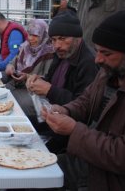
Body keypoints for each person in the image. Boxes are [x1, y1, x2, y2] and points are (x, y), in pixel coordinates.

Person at [42, 10, 125, 190]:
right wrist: (67, 110)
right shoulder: (110, 70)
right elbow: (86, 100)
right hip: (91, 159)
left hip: (120, 180)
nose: (98, 59)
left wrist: (74, 130)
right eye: (97, 51)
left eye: (106, 53)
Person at [26, 12, 98, 153]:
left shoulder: (88, 63)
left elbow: (84, 107)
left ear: (78, 38)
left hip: (68, 133)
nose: (57, 45)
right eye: (53, 40)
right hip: (50, 118)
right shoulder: (61, 54)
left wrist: (49, 90)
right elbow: (51, 80)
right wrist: (38, 81)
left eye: (62, 39)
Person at [4, 19, 54, 119]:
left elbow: (48, 79)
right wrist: (10, 67)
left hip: (33, 91)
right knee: (1, 92)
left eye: (35, 35)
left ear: (43, 35)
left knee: (14, 102)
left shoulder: (49, 52)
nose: (30, 38)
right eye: (29, 34)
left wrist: (27, 77)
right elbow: (13, 62)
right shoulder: (25, 47)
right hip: (18, 83)